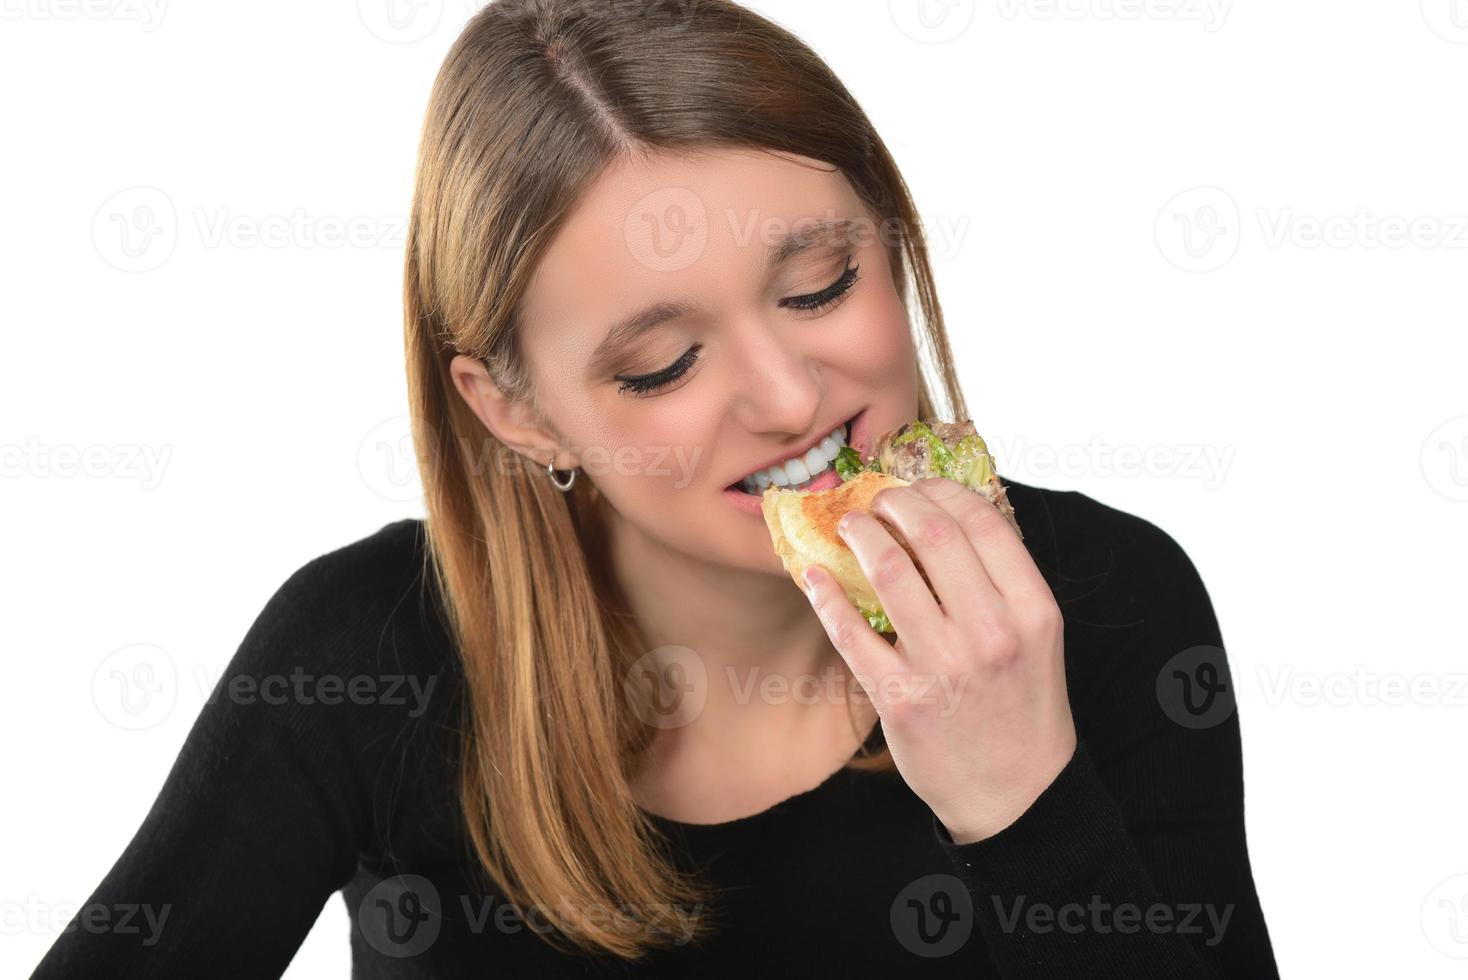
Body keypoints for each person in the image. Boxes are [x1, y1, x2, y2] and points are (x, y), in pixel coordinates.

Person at [30, 0, 1278, 976]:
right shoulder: (365, 650)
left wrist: (1024, 802)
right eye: (663, 363)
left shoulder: (1105, 598)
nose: (790, 397)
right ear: (513, 410)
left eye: (820, 286)